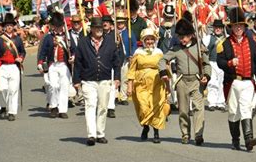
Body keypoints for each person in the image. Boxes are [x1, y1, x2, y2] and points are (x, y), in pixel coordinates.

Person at [158, 11, 211, 145]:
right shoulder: (176, 49)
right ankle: (185, 134)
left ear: (191, 35)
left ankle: (198, 134)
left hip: (196, 80)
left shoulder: (200, 47)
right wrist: (163, 73)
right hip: (182, 81)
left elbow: (206, 64)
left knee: (199, 108)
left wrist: (207, 76)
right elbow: (162, 60)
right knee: (183, 110)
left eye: (185, 37)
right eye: (180, 37)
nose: (182, 40)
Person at [217, 7, 256, 151]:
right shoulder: (224, 44)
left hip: (248, 81)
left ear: (244, 27)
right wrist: (230, 63)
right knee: (233, 112)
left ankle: (249, 139)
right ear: (231, 27)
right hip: (233, 82)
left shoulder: (251, 42)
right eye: (235, 26)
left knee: (245, 108)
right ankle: (235, 139)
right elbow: (220, 62)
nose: (238, 28)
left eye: (240, 25)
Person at [73, 17, 121, 146]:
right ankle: (91, 135)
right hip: (88, 80)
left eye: (101, 28)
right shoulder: (83, 42)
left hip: (105, 79)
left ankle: (100, 133)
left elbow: (116, 62)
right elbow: (78, 62)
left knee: (103, 107)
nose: (99, 30)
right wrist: (76, 80)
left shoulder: (110, 42)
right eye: (97, 28)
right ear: (92, 29)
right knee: (90, 106)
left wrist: (117, 77)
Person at [127, 28, 170, 144]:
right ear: (143, 40)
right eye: (147, 39)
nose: (150, 41)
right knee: (143, 107)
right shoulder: (138, 53)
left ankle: (156, 132)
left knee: (156, 107)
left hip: (157, 83)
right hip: (141, 84)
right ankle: (145, 126)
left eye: (152, 39)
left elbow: (165, 68)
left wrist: (168, 86)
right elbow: (131, 70)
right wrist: (129, 86)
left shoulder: (159, 53)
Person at [37, 11, 73, 119]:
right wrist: (40, 63)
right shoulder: (48, 37)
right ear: (52, 26)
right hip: (52, 65)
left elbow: (73, 49)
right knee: (53, 85)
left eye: (59, 26)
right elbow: (42, 51)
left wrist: (73, 56)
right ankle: (53, 106)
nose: (58, 28)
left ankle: (62, 110)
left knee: (64, 87)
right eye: (56, 26)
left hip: (64, 65)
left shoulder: (67, 37)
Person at [0, 13, 26, 121]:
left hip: (14, 67)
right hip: (3, 67)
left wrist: (21, 58)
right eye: (7, 25)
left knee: (13, 90)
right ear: (4, 26)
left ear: (13, 26)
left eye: (11, 25)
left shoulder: (17, 39)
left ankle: (12, 112)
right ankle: (4, 106)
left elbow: (22, 52)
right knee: (2, 89)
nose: (9, 27)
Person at [203, 19, 227, 112]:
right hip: (212, 62)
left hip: (223, 63)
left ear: (222, 29)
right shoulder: (208, 38)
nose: (218, 29)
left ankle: (220, 102)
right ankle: (212, 102)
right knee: (212, 82)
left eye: (219, 28)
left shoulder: (226, 38)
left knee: (221, 83)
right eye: (216, 27)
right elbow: (202, 47)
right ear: (213, 28)